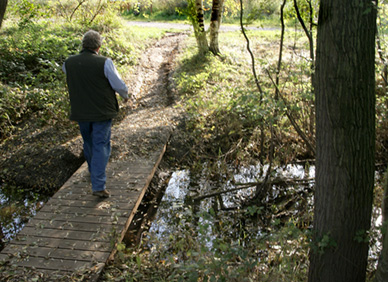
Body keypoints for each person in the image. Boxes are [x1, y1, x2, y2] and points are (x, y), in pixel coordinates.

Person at [62, 30, 130, 198]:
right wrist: (126, 96)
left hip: (81, 111)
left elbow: (74, 79)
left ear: (83, 45)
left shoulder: (68, 63)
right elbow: (119, 85)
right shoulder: (105, 62)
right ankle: (98, 185)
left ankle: (94, 174)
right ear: (99, 46)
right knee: (101, 145)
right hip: (101, 111)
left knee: (89, 144)